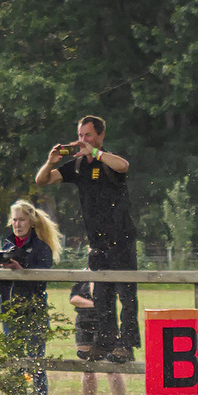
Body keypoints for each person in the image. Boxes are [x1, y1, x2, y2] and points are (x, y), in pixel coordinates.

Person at [34, 114, 139, 362]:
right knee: (101, 297)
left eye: (88, 135)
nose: (82, 140)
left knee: (126, 295)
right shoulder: (78, 166)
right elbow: (42, 181)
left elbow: (124, 166)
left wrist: (96, 152)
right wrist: (50, 162)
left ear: (101, 136)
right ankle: (105, 344)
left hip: (122, 240)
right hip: (98, 243)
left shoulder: (108, 162)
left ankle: (126, 345)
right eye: (80, 135)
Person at [0, 200, 62, 395]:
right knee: (14, 364)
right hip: (10, 312)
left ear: (31, 222)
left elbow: (40, 283)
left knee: (36, 364)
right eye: (14, 219)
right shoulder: (5, 245)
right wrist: (2, 270)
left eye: (21, 219)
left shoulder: (42, 248)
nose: (17, 224)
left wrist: (22, 271)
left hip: (34, 313)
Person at [70, 281, 127, 395]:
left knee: (112, 366)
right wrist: (96, 304)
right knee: (87, 367)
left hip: (106, 324)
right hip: (84, 324)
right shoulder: (82, 278)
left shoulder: (108, 277)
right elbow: (73, 299)